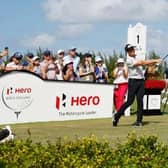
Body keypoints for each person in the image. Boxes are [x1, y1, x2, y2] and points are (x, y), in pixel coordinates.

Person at [113, 44, 161, 127]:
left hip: (141, 81)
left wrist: (154, 65)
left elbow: (147, 66)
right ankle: (117, 116)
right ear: (127, 52)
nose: (133, 50)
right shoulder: (128, 60)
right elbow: (142, 63)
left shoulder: (137, 57)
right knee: (129, 101)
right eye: (130, 50)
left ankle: (139, 121)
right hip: (133, 82)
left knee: (140, 100)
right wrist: (156, 60)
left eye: (133, 49)